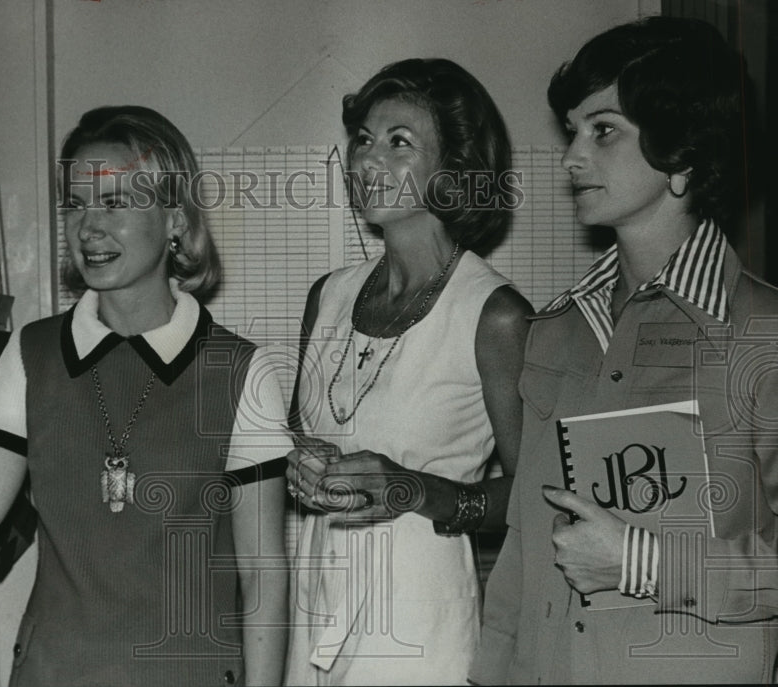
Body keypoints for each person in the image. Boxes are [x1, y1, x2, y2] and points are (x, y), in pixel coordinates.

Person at [0, 106, 289, 686]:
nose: (88, 226)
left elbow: (262, 571)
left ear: (176, 218)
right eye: (75, 204)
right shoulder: (33, 354)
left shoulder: (240, 372)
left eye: (116, 203)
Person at [471, 17, 778, 685]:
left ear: (684, 155)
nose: (572, 157)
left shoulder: (763, 331)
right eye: (573, 132)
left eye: (603, 130)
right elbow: (526, 543)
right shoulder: (552, 329)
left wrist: (643, 563)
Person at [283, 59, 533, 685]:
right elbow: (292, 436)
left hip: (419, 613)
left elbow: (537, 495)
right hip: (312, 594)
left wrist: (418, 489)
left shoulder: (495, 314)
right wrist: (295, 461)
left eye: (400, 142)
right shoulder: (329, 296)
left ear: (454, 168)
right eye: (363, 138)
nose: (367, 160)